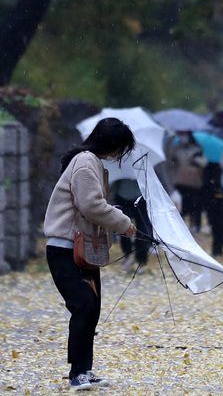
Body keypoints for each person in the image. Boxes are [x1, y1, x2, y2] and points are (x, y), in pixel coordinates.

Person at [43, 117, 137, 391]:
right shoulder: (86, 162)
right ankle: (77, 374)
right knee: (83, 305)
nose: (121, 154)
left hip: (83, 249)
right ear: (112, 144)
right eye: (122, 147)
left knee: (91, 308)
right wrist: (123, 222)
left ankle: (84, 370)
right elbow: (91, 205)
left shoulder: (91, 162)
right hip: (65, 249)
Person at [166, 131, 208, 232]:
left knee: (195, 206)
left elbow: (204, 163)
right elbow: (169, 161)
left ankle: (195, 226)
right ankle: (181, 227)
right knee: (181, 207)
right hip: (180, 182)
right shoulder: (176, 150)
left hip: (195, 183)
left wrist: (195, 159)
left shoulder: (197, 149)